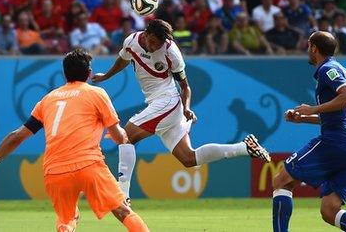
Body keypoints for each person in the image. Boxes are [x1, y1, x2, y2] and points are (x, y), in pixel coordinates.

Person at [92, 19, 271, 202]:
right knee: (188, 158)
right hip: (159, 106)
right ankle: (244, 147)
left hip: (168, 102)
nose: (155, 48)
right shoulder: (131, 41)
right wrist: (106, 76)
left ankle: (123, 195)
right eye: (153, 42)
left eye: (159, 44)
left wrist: (186, 108)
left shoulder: (171, 52)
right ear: (146, 34)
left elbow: (185, 87)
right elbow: (123, 59)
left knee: (126, 136)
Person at [0, 49, 149, 232]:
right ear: (89, 73)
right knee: (122, 210)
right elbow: (119, 136)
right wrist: (120, 136)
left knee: (67, 218)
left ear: (65, 74)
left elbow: (17, 136)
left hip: (54, 170)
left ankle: (65, 227)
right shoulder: (96, 93)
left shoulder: (47, 99)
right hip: (88, 164)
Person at [271, 31, 346, 232]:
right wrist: (304, 118)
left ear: (314, 48)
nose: (307, 50)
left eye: (308, 46)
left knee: (281, 180)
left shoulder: (328, 69)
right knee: (329, 210)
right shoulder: (338, 69)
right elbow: (338, 113)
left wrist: (312, 108)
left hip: (335, 142)